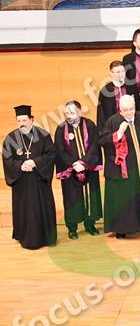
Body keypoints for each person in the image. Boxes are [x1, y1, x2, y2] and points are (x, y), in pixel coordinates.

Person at [100, 95, 140, 238]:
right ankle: (123, 228)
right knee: (126, 199)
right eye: (126, 110)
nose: (129, 112)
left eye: (132, 109)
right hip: (125, 171)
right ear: (120, 110)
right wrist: (118, 134)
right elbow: (103, 141)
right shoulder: (112, 122)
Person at [3, 105, 57, 249]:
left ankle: (46, 238)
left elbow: (51, 154)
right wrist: (20, 165)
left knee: (41, 208)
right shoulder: (11, 138)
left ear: (31, 119)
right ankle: (24, 236)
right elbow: (7, 159)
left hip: (39, 181)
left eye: (24, 120)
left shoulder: (43, 135)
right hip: (22, 182)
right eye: (19, 121)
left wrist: (35, 162)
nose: (22, 124)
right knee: (24, 210)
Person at [54, 101, 102, 239]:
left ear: (79, 112)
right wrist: (74, 164)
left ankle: (90, 224)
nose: (69, 116)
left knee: (90, 196)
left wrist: (84, 162)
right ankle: (72, 228)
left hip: (89, 168)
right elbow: (60, 150)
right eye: (67, 113)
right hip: (70, 171)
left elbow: (94, 146)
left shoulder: (90, 125)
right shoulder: (61, 129)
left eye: (72, 112)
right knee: (72, 199)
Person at [96, 61, 130, 127]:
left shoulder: (131, 87)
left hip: (130, 124)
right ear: (111, 73)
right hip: (113, 125)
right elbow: (101, 113)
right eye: (118, 72)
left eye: (123, 71)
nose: (121, 74)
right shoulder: (105, 90)